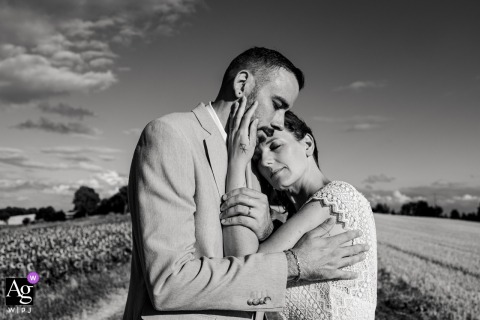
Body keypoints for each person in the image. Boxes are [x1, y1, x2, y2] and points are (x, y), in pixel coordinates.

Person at [123, 47, 369, 320]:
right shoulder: (172, 135)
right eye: (277, 105)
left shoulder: (250, 164)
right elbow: (169, 283)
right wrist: (294, 264)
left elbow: (245, 256)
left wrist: (265, 229)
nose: (279, 122)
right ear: (241, 85)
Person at [221, 107, 377, 319]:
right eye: (257, 158)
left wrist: (237, 161)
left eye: (275, 146)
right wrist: (268, 230)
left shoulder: (337, 197)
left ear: (307, 144)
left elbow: (246, 273)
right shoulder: (295, 218)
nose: (265, 161)